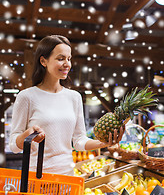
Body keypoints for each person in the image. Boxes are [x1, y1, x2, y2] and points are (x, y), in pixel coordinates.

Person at [9, 35, 124, 175]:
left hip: (68, 176)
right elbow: (14, 146)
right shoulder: (27, 97)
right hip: (37, 177)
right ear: (43, 61)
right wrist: (28, 134)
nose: (67, 64)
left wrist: (104, 143)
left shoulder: (74, 97)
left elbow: (79, 141)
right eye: (60, 58)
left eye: (69, 59)